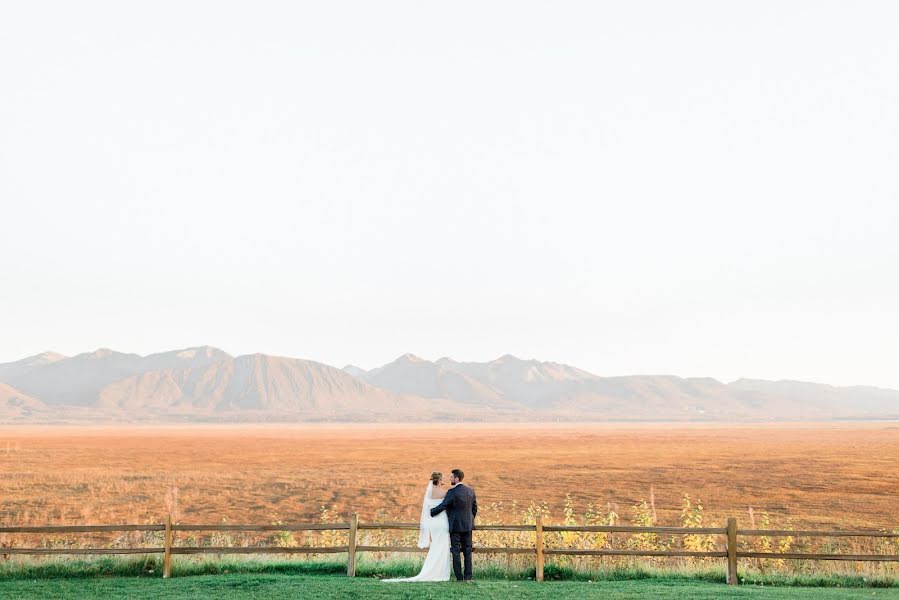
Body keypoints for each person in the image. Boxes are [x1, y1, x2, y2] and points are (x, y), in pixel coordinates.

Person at [382, 471, 452, 582]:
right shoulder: (446, 493)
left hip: (433, 523)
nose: (444, 480)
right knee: (442, 546)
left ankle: (431, 570)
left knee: (435, 545)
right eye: (443, 478)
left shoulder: (429, 492)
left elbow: (426, 509)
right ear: (439, 480)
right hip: (442, 522)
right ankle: (440, 572)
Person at [430, 468, 477, 582]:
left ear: (456, 478)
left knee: (456, 551)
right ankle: (468, 577)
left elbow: (443, 505)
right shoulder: (471, 491)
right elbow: (474, 508)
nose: (450, 479)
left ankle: (459, 578)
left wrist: (431, 512)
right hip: (467, 526)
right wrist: (470, 520)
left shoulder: (452, 492)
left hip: (455, 526)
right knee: (467, 551)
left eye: (451, 477)